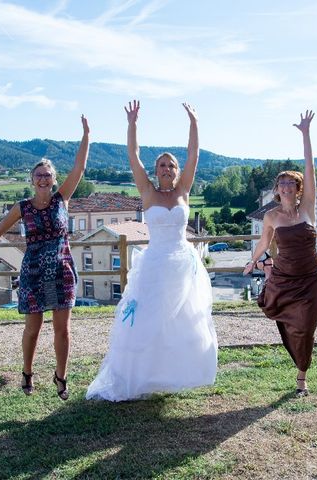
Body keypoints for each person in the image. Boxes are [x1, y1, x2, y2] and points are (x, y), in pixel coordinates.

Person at [86, 100, 217, 401]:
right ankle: (140, 377)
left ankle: (174, 374)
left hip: (183, 265)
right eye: (162, 165)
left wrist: (194, 123)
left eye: (171, 164)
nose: (167, 168)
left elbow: (194, 154)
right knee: (150, 320)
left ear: (176, 170)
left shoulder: (184, 190)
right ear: (156, 171)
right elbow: (133, 155)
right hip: (156, 263)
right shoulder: (147, 191)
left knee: (182, 321)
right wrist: (132, 124)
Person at [0, 115, 90, 401]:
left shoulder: (61, 200)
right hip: (33, 274)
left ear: (54, 180)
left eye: (48, 174)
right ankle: (27, 372)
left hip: (60, 271)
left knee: (63, 331)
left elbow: (80, 167)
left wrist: (86, 134)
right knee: (33, 329)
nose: (43, 178)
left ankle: (61, 376)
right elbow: (0, 228)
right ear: (32, 179)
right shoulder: (23, 207)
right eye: (38, 174)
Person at [243, 110, 317, 397]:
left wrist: (306, 134)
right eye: (282, 183)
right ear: (276, 191)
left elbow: (310, 168)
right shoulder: (271, 217)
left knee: (306, 327)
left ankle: (301, 375)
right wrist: (254, 259)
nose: (287, 186)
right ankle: (270, 281)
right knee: (293, 324)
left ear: (298, 188)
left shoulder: (308, 209)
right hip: (287, 278)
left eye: (292, 182)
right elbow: (264, 243)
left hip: (312, 279)